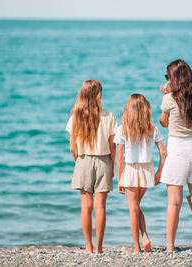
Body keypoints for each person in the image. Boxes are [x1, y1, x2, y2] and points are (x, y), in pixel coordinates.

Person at [159, 59, 192, 252]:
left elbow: (163, 123)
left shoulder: (168, 99)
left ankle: (170, 247)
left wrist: (166, 96)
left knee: (174, 201)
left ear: (173, 78)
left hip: (176, 151)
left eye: (168, 77)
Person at [65, 79, 117, 254]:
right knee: (100, 207)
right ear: (98, 94)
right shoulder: (109, 116)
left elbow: (72, 147)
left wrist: (79, 162)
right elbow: (112, 146)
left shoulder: (75, 117)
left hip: (83, 160)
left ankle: (88, 247)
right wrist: (113, 166)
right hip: (103, 161)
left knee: (85, 207)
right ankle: (99, 248)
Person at [114, 94, 167, 253]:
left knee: (133, 207)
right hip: (147, 169)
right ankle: (145, 236)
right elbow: (163, 152)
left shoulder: (123, 127)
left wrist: (119, 179)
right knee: (136, 206)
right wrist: (159, 172)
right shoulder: (152, 127)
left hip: (130, 169)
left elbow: (119, 156)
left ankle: (137, 247)